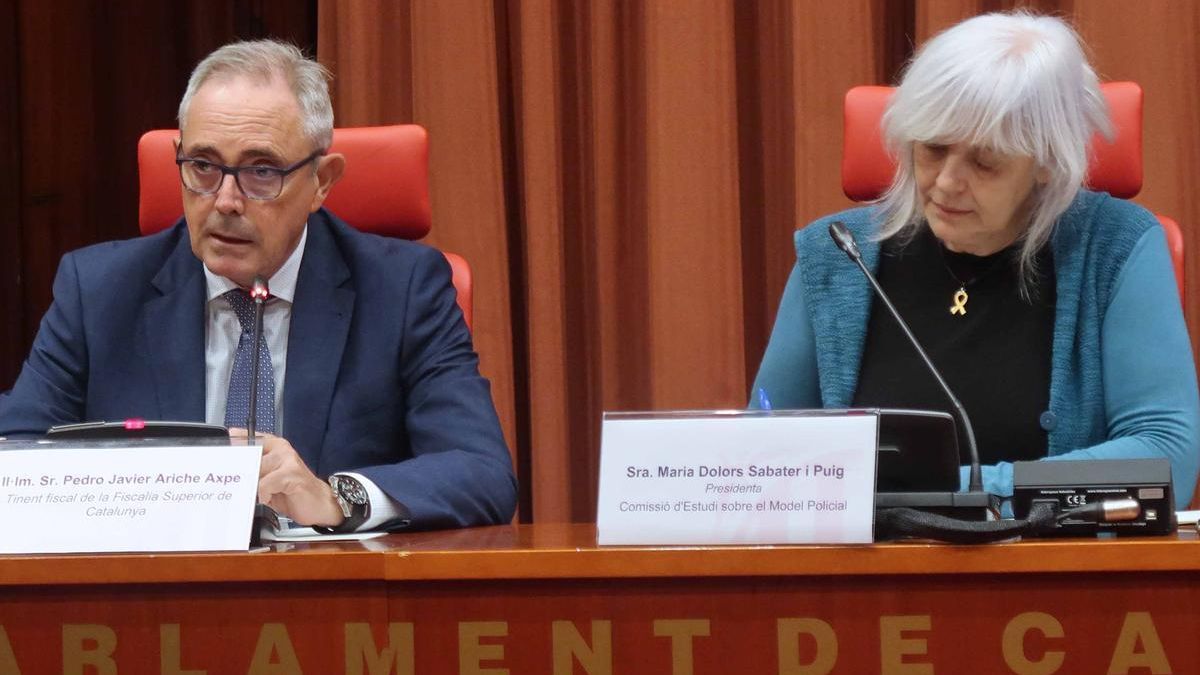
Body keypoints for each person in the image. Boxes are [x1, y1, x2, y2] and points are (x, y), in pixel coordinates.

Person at [0, 40, 517, 531]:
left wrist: (336, 496)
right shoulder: (99, 291)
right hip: (151, 602)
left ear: (322, 181)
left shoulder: (402, 290)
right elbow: (13, 453)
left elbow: (480, 472)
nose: (225, 200)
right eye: (202, 166)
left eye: (261, 171)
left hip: (338, 604)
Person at [750, 12, 1200, 509]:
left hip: (1053, 573)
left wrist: (962, 493)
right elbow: (763, 455)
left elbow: (1164, 455)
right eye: (933, 149)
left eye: (985, 162)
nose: (945, 183)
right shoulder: (837, 255)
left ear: (1049, 164)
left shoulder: (1117, 247)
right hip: (863, 579)